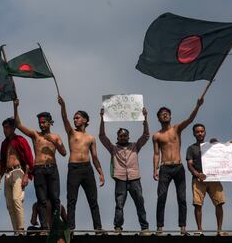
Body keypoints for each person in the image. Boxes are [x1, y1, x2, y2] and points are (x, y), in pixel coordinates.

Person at [153, 97, 203, 235]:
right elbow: (156, 154)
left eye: (166, 113)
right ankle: (159, 227)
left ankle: (183, 227)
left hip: (178, 167)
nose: (165, 114)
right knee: (161, 197)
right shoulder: (156, 135)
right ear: (158, 118)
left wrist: (197, 106)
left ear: (170, 116)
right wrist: (155, 169)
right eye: (162, 113)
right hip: (165, 168)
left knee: (182, 198)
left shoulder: (176, 128)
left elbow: (190, 120)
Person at [13, 99, 66, 232]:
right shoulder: (35, 135)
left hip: (52, 169)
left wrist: (55, 142)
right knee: (41, 200)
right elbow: (18, 124)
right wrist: (15, 107)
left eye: (44, 122)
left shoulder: (56, 136)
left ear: (49, 123)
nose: (41, 125)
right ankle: (44, 227)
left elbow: (64, 153)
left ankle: (55, 225)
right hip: (39, 169)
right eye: (40, 123)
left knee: (55, 199)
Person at [99, 107, 150, 235]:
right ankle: (118, 227)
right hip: (120, 179)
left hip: (134, 178)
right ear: (118, 137)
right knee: (119, 204)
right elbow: (102, 136)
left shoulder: (135, 146)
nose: (123, 137)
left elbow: (146, 135)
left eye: (125, 135)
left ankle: (144, 228)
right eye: (121, 136)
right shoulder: (113, 148)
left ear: (128, 136)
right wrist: (102, 118)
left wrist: (145, 118)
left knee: (140, 203)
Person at [58, 95, 104, 233]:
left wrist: (100, 172)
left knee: (93, 200)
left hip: (87, 168)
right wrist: (63, 106)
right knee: (71, 199)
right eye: (74, 118)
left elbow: (95, 157)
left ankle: (98, 228)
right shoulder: (72, 133)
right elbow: (65, 119)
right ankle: (71, 227)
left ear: (85, 120)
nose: (75, 119)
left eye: (77, 117)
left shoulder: (90, 138)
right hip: (74, 168)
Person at [186, 123, 227, 236]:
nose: (200, 133)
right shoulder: (191, 148)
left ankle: (219, 230)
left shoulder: (212, 145)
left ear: (205, 132)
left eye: (202, 131)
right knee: (198, 204)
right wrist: (196, 174)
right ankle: (199, 229)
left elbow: (222, 155)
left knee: (219, 203)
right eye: (197, 131)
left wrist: (217, 144)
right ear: (194, 134)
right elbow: (189, 164)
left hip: (213, 178)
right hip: (198, 179)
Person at [0, 117, 33, 235]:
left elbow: (28, 158)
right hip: (7, 173)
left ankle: (21, 229)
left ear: (13, 128)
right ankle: (16, 231)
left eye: (7, 128)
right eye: (3, 128)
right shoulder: (4, 143)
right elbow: (3, 161)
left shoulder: (21, 140)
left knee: (17, 199)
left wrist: (27, 175)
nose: (4, 130)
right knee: (9, 204)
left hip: (18, 171)